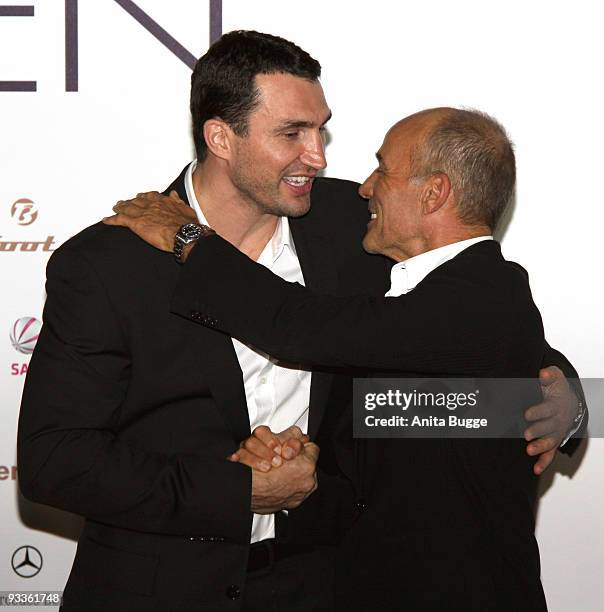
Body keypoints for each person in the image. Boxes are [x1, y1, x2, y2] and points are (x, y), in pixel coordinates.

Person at [18, 29, 581, 611]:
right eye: (293, 133)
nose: (318, 156)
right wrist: (241, 492)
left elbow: (468, 316)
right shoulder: (109, 265)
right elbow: (54, 461)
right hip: (157, 591)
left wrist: (568, 396)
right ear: (221, 138)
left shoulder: (356, 226)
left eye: (320, 128)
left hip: (322, 587)